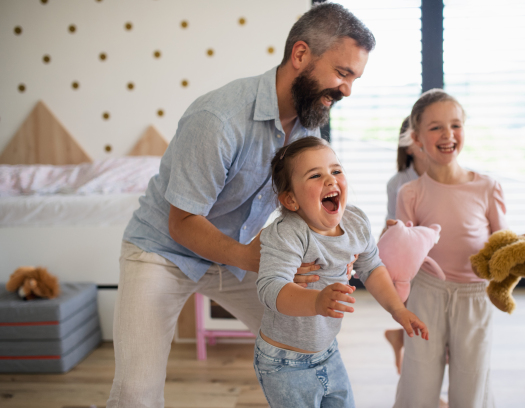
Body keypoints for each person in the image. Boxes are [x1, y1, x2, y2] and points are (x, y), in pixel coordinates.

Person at [106, 3, 376, 407]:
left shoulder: (309, 121)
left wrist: (335, 247)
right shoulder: (219, 119)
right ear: (300, 55)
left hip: (241, 252)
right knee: (135, 393)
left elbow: (303, 204)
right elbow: (181, 222)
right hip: (163, 252)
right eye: (342, 73)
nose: (348, 89)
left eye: (354, 77)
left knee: (308, 336)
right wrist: (255, 259)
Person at [254, 136, 429, 408]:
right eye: (315, 175)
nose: (330, 179)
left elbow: (372, 266)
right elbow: (270, 288)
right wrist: (315, 301)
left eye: (336, 171)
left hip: (328, 351)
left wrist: (398, 309)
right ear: (290, 199)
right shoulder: (287, 233)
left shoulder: (356, 222)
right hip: (284, 362)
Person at [392, 89, 509, 408]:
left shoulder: (487, 187)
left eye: (455, 125)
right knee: (419, 378)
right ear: (416, 138)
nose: (447, 135)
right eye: (435, 128)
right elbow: (403, 260)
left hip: (475, 296)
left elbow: (505, 247)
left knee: (472, 380)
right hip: (426, 295)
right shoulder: (410, 193)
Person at [382, 115, 428, 375]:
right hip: (411, 263)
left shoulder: (447, 177)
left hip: (438, 262)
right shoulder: (398, 182)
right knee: (420, 327)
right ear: (408, 145)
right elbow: (393, 225)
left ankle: (398, 336)